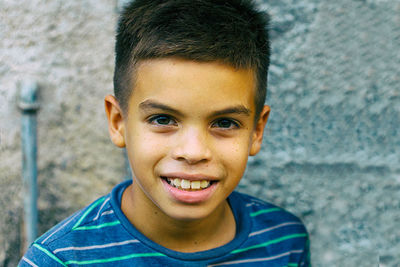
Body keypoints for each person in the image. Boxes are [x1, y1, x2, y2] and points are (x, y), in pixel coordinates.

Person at [19, 0, 310, 266]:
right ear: (118, 122)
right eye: (163, 119)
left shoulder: (284, 242)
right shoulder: (59, 261)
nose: (194, 152)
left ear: (257, 131)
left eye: (224, 123)